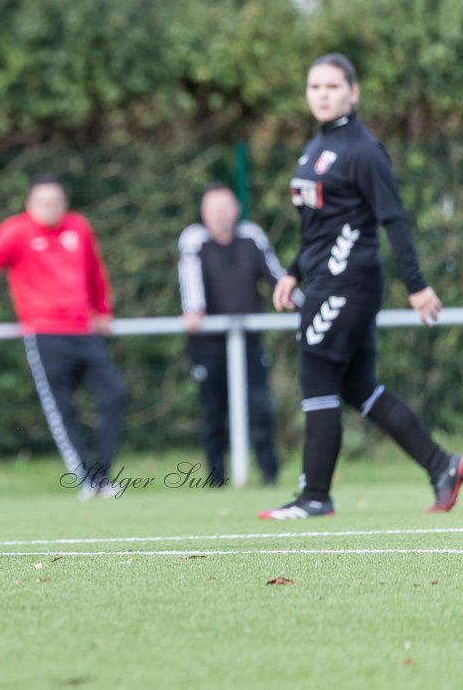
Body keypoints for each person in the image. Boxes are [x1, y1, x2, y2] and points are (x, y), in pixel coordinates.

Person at [261, 52, 460, 520]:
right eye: (315, 87)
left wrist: (416, 285)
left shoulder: (362, 149)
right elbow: (320, 227)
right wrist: (292, 271)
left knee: (316, 373)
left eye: (332, 86)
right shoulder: (316, 146)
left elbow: (391, 217)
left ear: (354, 92)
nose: (323, 95)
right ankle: (442, 465)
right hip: (325, 279)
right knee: (358, 386)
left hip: (346, 284)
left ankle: (315, 497)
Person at [0, 177, 127, 499]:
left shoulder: (78, 227)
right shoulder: (15, 231)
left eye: (56, 201)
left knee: (114, 396)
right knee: (62, 409)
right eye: (43, 202)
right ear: (30, 205)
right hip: (44, 334)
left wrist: (102, 309)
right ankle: (86, 481)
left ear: (65, 204)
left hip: (85, 331)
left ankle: (102, 476)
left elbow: (95, 270)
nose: (50, 208)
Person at [178, 184, 284, 487]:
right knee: (213, 414)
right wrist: (194, 310)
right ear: (204, 214)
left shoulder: (252, 236)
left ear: (236, 209)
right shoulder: (194, 240)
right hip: (207, 347)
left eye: (226, 208)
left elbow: (277, 277)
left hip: (250, 344)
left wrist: (298, 304)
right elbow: (190, 282)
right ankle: (216, 481)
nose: (222, 215)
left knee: (261, 409)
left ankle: (270, 476)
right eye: (215, 209)